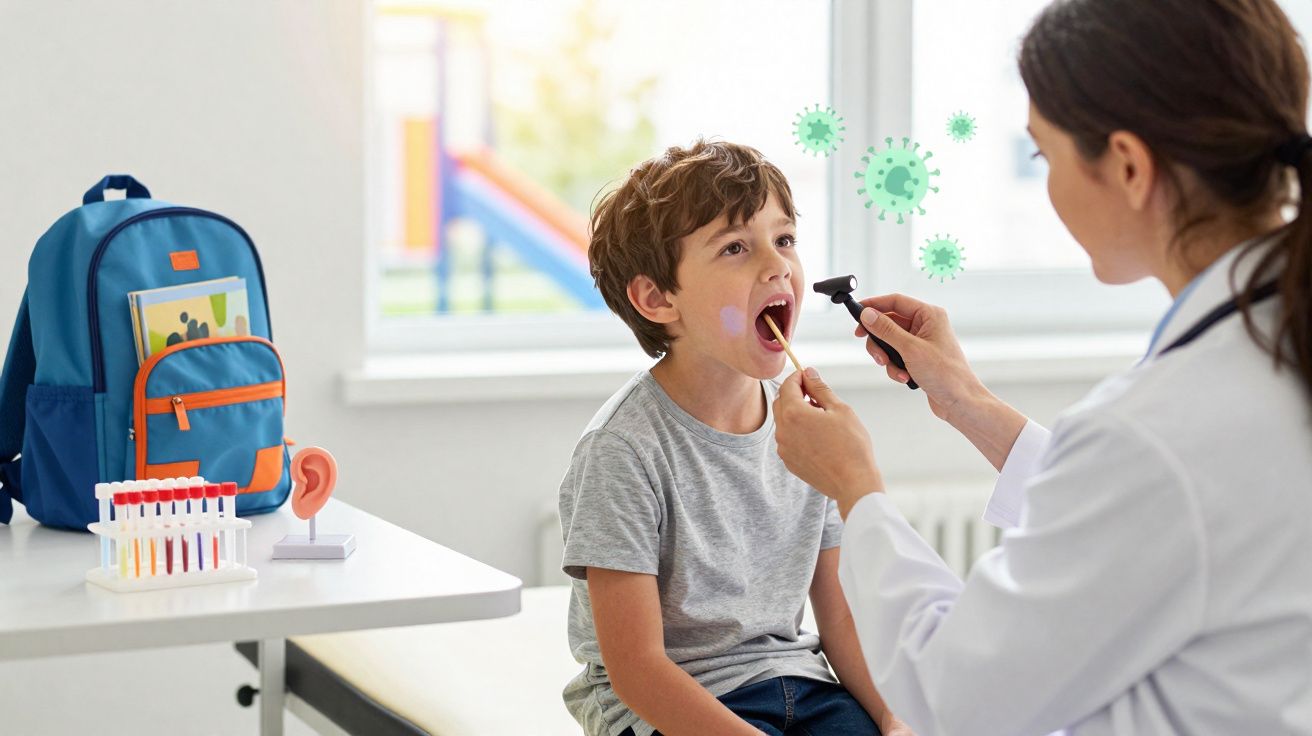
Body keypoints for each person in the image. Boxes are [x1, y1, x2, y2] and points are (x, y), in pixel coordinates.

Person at [772, 0, 1312, 733]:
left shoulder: (1157, 435)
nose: (1046, 182)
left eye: (1042, 155)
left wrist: (855, 489)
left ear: (1126, 165)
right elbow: (1150, 533)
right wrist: (965, 401)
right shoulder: (1265, 351)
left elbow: (952, 700)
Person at [558, 140, 910, 736]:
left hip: (802, 683)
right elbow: (637, 671)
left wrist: (893, 716)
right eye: (735, 247)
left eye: (785, 239)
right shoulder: (623, 450)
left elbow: (841, 618)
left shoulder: (807, 432)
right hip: (668, 707)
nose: (777, 265)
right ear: (657, 298)